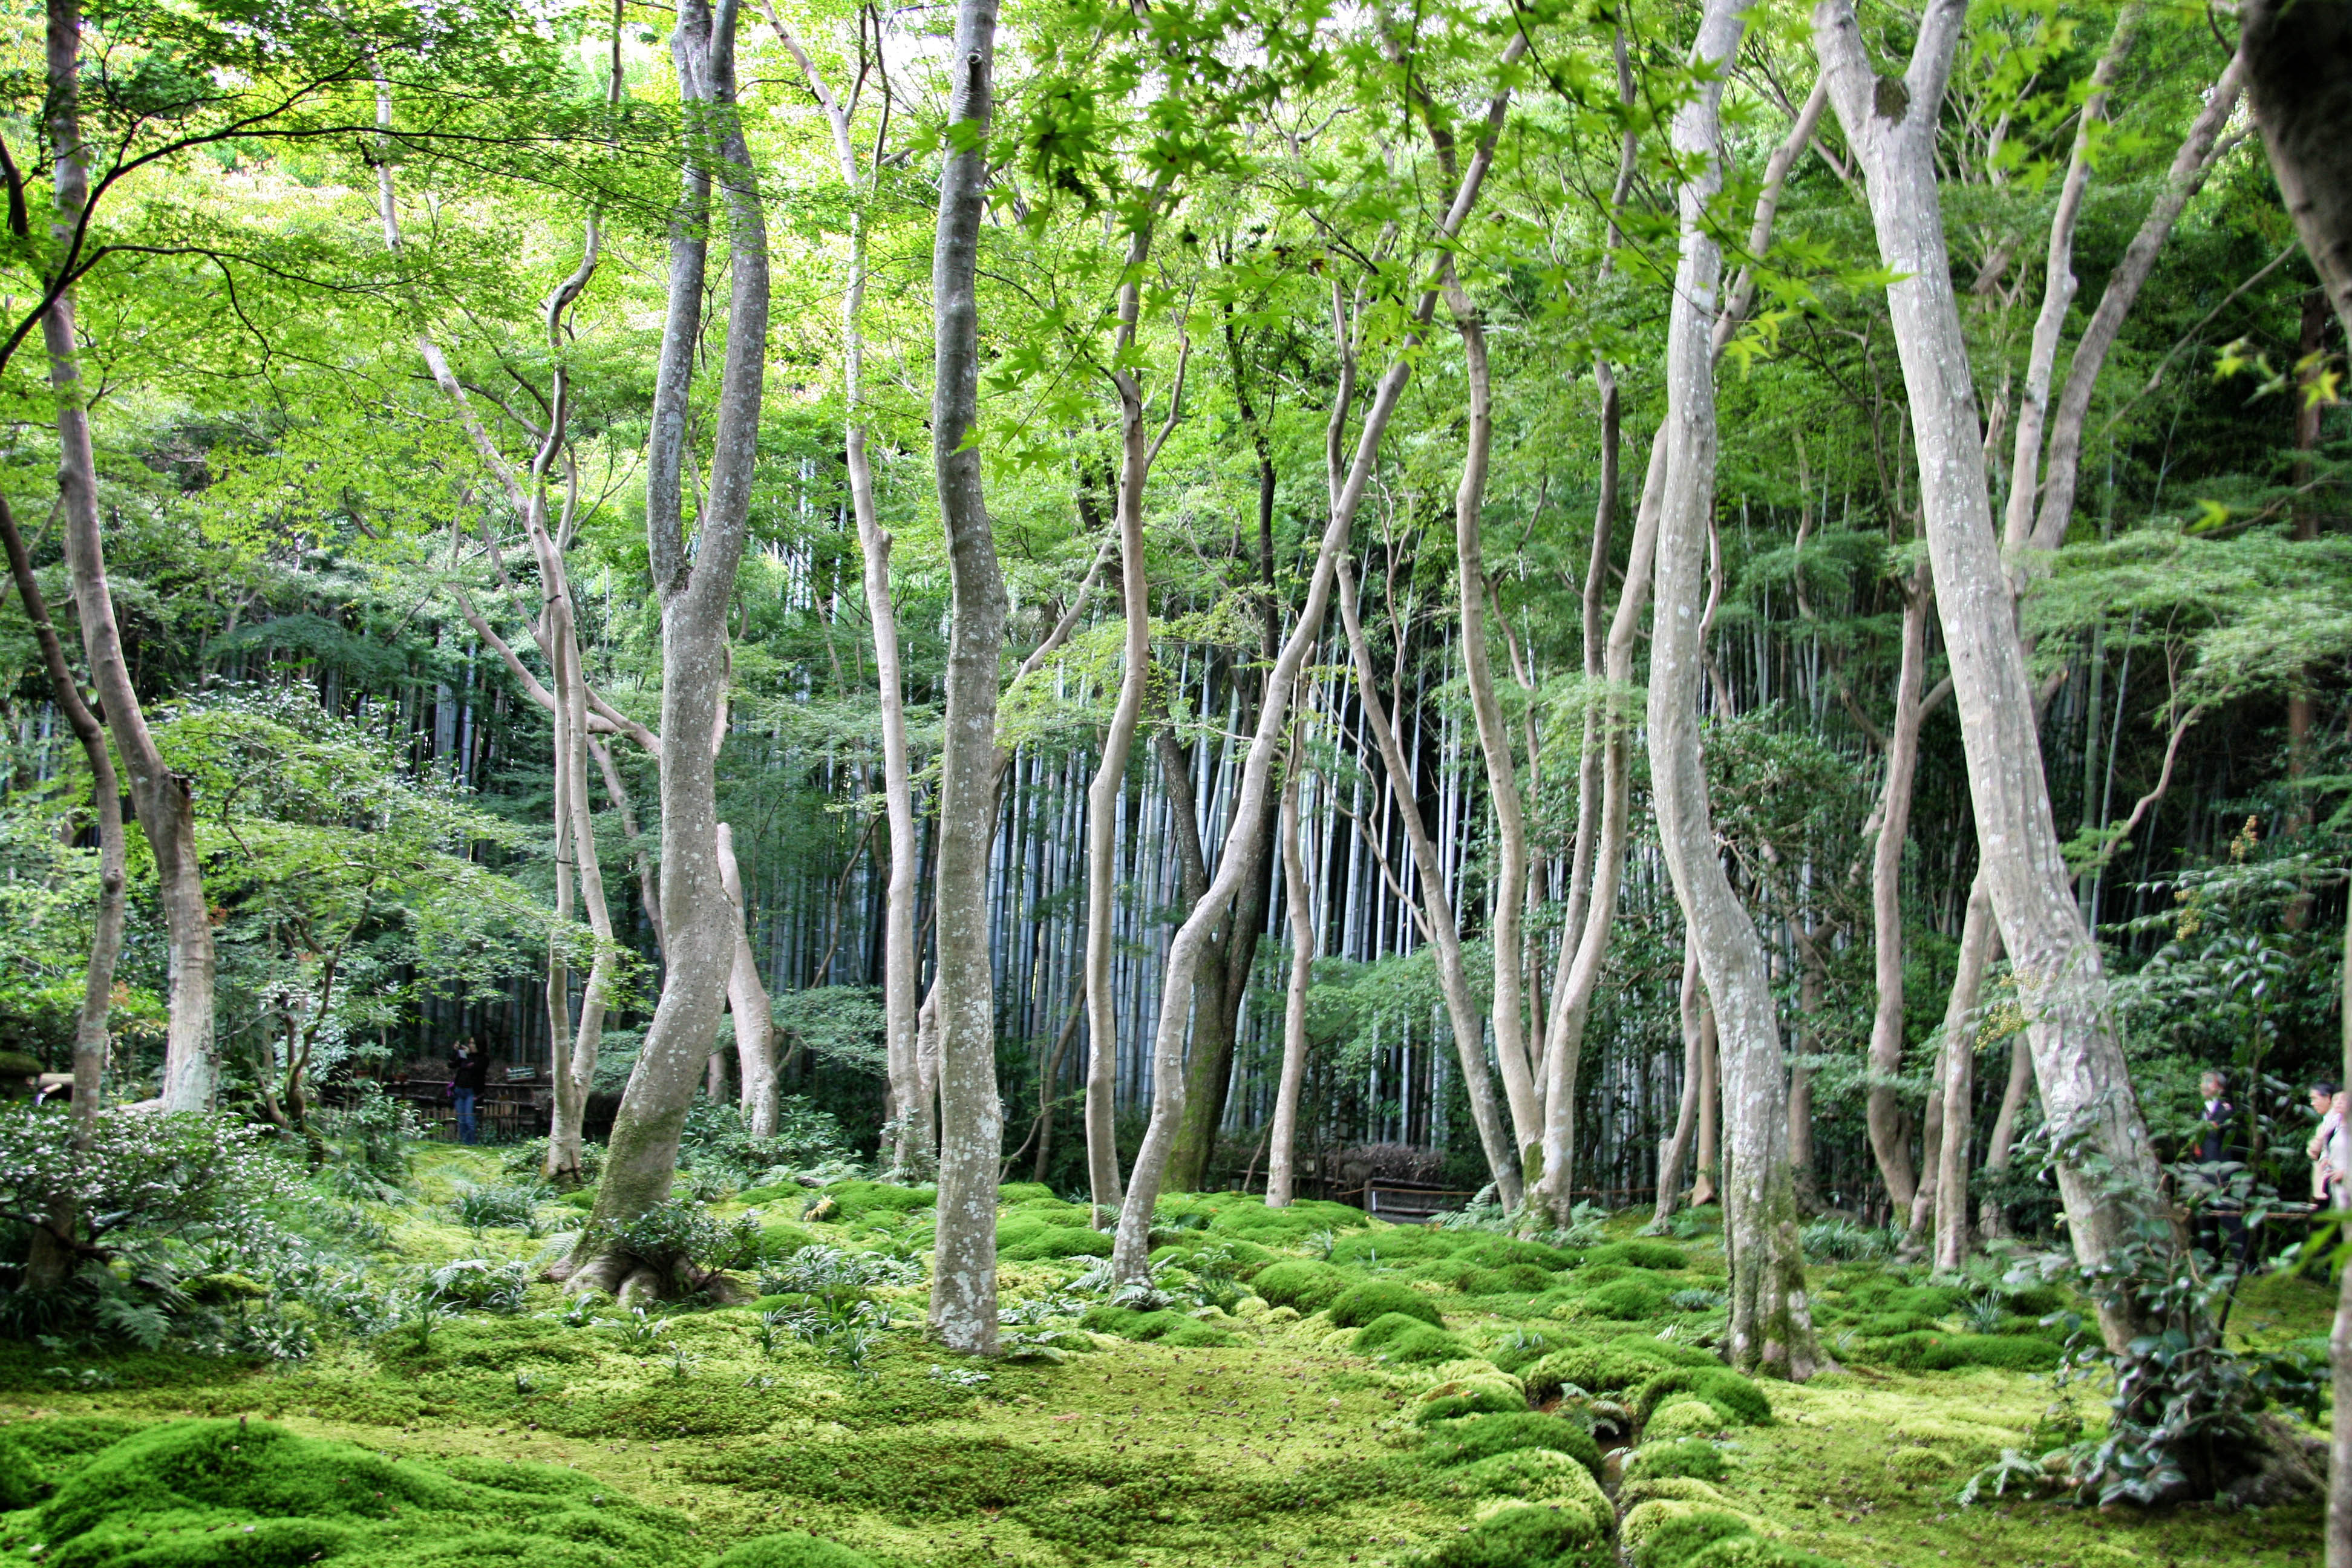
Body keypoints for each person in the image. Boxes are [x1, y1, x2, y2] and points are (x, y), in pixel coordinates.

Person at [2308, 1080, 2342, 1204]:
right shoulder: (2326, 1123)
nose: (2312, 1103)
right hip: (2325, 1180)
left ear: (2328, 1098)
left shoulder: (2341, 1121)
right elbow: (2313, 1152)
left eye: (2315, 1098)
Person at [450, 1039, 489, 1146]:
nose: (471, 1045)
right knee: (461, 1120)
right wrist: (456, 1052)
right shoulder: (465, 1056)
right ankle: (464, 1143)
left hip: (471, 1092)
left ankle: (472, 1144)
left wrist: (467, 1056)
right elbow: (452, 1064)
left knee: (469, 1120)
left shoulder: (483, 1058)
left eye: (473, 1043)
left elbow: (476, 1069)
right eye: (470, 1043)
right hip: (459, 1091)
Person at [2198, 1070, 2233, 1164]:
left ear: (2221, 1088)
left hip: (2219, 1163)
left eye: (2209, 1081)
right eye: (2203, 1082)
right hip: (2202, 1163)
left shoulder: (2226, 1109)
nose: (2204, 1085)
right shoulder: (2201, 1109)